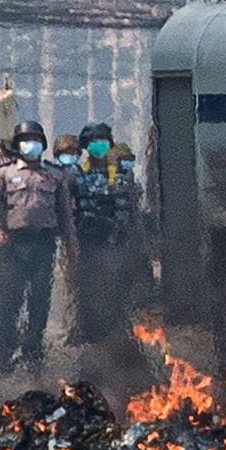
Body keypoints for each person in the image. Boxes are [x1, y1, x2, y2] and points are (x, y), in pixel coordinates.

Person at [0, 121, 76, 373]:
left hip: (44, 244)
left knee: (39, 301)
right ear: (17, 145)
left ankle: (32, 354)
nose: (31, 144)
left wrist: (71, 244)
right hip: (13, 245)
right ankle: (4, 356)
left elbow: (65, 213)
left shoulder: (54, 175)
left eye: (35, 139)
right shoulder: (3, 174)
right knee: (10, 301)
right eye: (25, 139)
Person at [70, 123, 139, 346]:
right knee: (89, 289)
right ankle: (90, 336)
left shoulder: (122, 174)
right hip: (89, 240)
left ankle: (118, 334)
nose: (99, 145)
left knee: (118, 288)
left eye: (103, 140)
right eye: (94, 141)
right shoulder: (75, 175)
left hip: (117, 240)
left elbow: (131, 208)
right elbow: (67, 209)